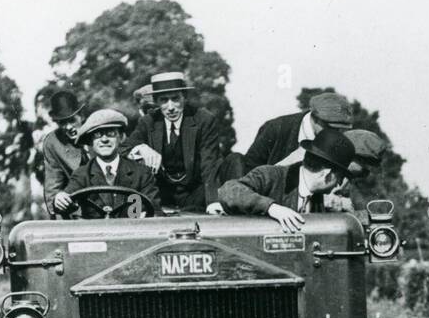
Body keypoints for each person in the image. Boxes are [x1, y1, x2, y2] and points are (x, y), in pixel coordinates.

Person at [217, 128, 356, 232]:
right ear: (327, 174)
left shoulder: (316, 198)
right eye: (340, 178)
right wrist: (271, 208)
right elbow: (228, 191)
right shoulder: (270, 176)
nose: (339, 184)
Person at [124, 72, 223, 214]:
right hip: (162, 196)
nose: (170, 107)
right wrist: (141, 148)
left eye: (175, 99)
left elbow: (210, 162)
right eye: (164, 100)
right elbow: (123, 148)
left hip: (196, 194)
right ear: (156, 101)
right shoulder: (148, 121)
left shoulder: (204, 119)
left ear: (185, 97)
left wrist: (213, 202)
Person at [217, 92, 353, 185]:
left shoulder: (337, 139)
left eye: (340, 129)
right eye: (330, 127)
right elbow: (250, 174)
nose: (336, 133)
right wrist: (285, 166)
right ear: (315, 118)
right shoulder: (276, 128)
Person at [62, 109, 159, 218]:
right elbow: (66, 200)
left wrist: (145, 217)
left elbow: (155, 210)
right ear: (91, 141)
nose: (104, 139)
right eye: (97, 134)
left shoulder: (141, 173)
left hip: (131, 228)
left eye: (110, 133)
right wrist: (60, 199)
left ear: (121, 137)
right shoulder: (81, 174)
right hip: (95, 229)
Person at [40, 89, 87, 218]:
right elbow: (53, 185)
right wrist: (57, 200)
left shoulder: (99, 133)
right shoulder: (53, 143)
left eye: (72, 120)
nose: (68, 127)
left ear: (82, 116)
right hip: (78, 213)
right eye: (62, 122)